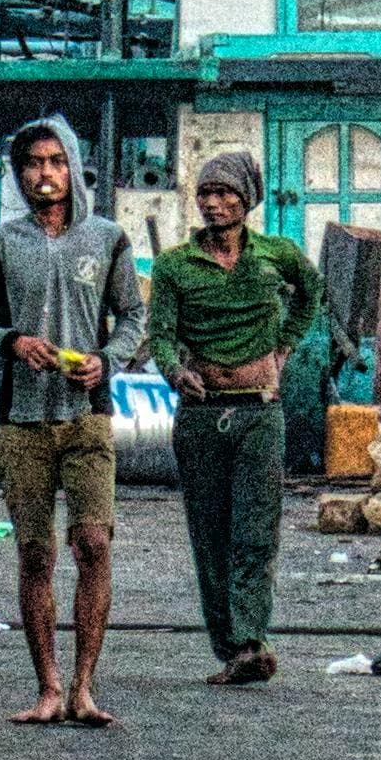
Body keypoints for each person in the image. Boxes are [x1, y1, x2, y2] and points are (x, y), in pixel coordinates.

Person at [0, 114, 143, 728]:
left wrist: (107, 360)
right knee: (35, 555)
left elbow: (134, 320)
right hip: (23, 422)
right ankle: (48, 688)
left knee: (93, 543)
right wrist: (11, 342)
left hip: (86, 418)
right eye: (34, 163)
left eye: (56, 161)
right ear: (19, 172)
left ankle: (85, 688)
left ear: (74, 168)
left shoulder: (108, 240)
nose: (45, 173)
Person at [148, 149, 322, 686]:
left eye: (226, 193)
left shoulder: (277, 255)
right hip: (201, 416)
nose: (215, 203)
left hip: (260, 414)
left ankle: (251, 641)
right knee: (210, 531)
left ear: (247, 200)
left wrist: (287, 345)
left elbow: (311, 293)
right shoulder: (175, 265)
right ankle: (230, 646)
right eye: (205, 193)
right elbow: (160, 335)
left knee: (256, 530)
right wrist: (177, 372)